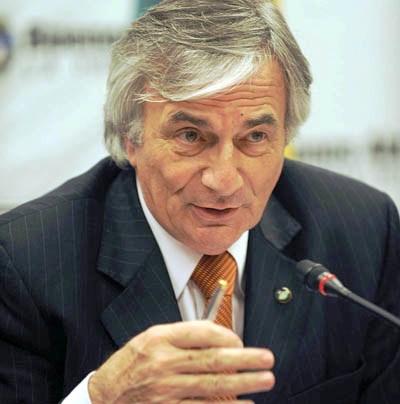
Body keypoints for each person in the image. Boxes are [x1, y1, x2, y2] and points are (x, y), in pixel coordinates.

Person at [0, 0, 399, 402]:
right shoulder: (26, 262)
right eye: (191, 136)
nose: (224, 181)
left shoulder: (363, 232)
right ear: (130, 137)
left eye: (255, 137)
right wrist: (102, 396)